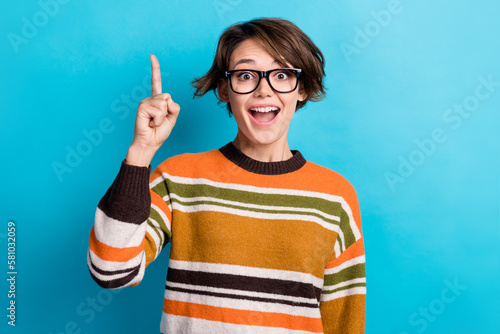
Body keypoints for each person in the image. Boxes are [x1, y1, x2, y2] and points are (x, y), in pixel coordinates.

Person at [87, 18, 366, 333]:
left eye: (282, 75)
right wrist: (140, 153)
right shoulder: (180, 178)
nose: (264, 90)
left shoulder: (335, 196)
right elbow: (110, 270)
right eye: (246, 75)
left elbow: (344, 322)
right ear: (224, 88)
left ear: (300, 89)